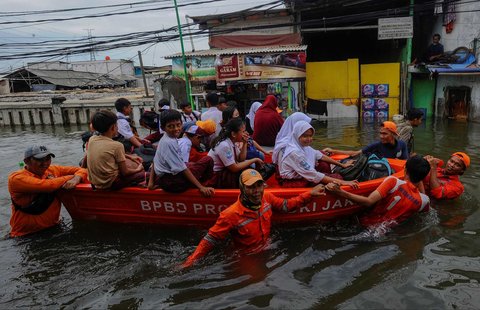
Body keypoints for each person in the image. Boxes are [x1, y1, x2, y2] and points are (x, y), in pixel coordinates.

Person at [181, 169, 327, 268]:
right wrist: (190, 262)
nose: (257, 191)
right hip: (246, 256)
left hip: (268, 246)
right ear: (243, 188)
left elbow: (285, 206)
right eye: (251, 187)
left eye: (259, 185)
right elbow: (210, 239)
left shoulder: (266, 197)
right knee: (257, 283)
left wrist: (310, 194)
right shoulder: (230, 214)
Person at [326, 155, 431, 229]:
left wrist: (340, 192)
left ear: (405, 170)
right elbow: (425, 209)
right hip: (389, 231)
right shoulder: (424, 201)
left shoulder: (393, 182)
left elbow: (368, 201)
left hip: (365, 225)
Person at [8, 145, 88, 237]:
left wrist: (77, 178)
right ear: (27, 161)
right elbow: (48, 186)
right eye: (40, 159)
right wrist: (72, 177)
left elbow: (82, 170)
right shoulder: (16, 178)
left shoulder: (53, 170)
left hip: (55, 227)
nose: (45, 163)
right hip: (25, 236)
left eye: (48, 159)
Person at [148, 110, 214, 197]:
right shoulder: (169, 142)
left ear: (182, 124)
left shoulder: (166, 138)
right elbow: (183, 168)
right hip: (173, 183)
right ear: (163, 128)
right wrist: (201, 187)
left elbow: (155, 160)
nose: (176, 129)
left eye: (178, 125)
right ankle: (205, 186)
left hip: (166, 179)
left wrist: (151, 183)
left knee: (193, 165)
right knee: (208, 159)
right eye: (170, 126)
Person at [278, 121, 358, 188]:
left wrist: (342, 165)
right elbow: (312, 174)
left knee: (333, 174)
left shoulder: (303, 146)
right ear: (297, 135)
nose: (309, 139)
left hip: (304, 177)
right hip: (294, 183)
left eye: (310, 136)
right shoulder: (294, 152)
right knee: (337, 178)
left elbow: (320, 155)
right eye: (305, 136)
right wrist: (343, 182)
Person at [87, 110, 145, 190]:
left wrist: (130, 157)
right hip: (111, 184)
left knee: (132, 158)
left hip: (94, 183)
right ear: (113, 127)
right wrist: (138, 169)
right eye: (117, 125)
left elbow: (108, 151)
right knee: (144, 175)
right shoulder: (117, 145)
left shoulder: (92, 139)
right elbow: (125, 172)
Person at [207, 117, 264, 188]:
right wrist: (254, 159)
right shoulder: (224, 145)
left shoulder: (233, 142)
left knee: (251, 166)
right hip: (217, 176)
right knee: (249, 170)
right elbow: (234, 168)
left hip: (226, 172)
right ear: (233, 134)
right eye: (243, 131)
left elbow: (241, 159)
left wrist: (245, 143)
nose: (246, 133)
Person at [324, 121, 408, 160]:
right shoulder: (376, 146)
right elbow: (355, 153)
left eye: (385, 134)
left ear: (393, 134)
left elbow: (405, 161)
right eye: (380, 133)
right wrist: (333, 150)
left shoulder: (402, 145)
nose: (381, 136)